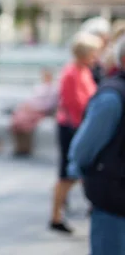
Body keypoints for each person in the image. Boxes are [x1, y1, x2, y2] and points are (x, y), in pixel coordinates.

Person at [68, 36, 125, 254]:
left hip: (114, 201)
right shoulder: (112, 95)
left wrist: (79, 169)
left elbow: (84, 148)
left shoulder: (112, 96)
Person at [49, 31, 103, 234]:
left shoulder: (83, 71)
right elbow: (75, 103)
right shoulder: (71, 73)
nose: (96, 57)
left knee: (74, 173)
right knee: (67, 173)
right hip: (71, 127)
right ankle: (55, 216)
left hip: (78, 125)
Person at [10, 68, 58, 156]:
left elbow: (49, 104)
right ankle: (20, 146)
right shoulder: (39, 86)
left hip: (40, 110)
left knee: (24, 120)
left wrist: (35, 107)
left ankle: (26, 147)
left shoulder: (53, 89)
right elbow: (31, 99)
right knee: (17, 119)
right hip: (31, 109)